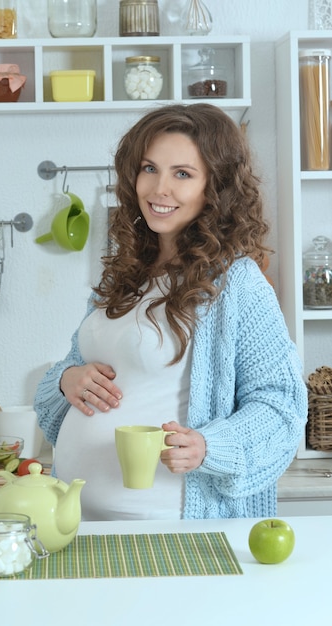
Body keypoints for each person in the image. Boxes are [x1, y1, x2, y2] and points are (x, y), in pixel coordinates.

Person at [34, 103, 307, 521]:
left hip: (171, 529)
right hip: (74, 521)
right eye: (149, 168)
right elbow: (72, 370)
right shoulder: (124, 276)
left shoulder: (237, 283)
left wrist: (209, 448)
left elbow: (281, 406)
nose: (159, 188)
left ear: (214, 187)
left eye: (182, 173)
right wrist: (67, 380)